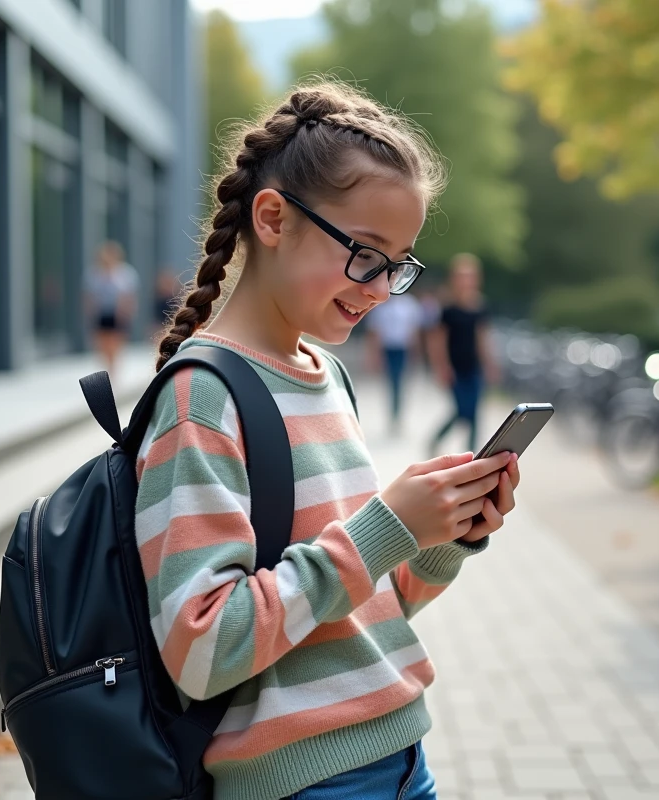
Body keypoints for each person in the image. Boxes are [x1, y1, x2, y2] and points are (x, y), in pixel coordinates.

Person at [136, 81, 521, 800]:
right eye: (366, 254)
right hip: (306, 782)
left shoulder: (327, 376)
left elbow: (359, 612)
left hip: (401, 757)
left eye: (398, 265)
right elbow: (203, 648)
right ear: (274, 219)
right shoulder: (202, 398)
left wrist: (443, 536)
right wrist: (385, 527)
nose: (380, 289)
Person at [428, 254, 497, 455]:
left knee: (474, 411)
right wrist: (442, 367)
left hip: (473, 367)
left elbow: (482, 338)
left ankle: (472, 452)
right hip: (455, 367)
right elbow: (437, 341)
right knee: (461, 410)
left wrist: (490, 364)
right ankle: (436, 439)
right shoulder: (447, 309)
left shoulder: (480, 306)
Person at [365, 292, 425, 432]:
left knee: (400, 382)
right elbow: (375, 332)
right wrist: (375, 355)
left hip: (402, 348)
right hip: (388, 348)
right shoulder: (380, 306)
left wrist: (415, 351)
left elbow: (414, 330)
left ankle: (398, 413)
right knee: (391, 382)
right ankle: (393, 413)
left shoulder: (409, 304)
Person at [82, 240, 138, 375]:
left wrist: (128, 312)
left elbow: (130, 296)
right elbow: (89, 296)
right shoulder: (94, 274)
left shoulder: (125, 273)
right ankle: (107, 366)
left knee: (115, 342)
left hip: (118, 313)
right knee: (102, 343)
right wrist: (89, 313)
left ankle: (113, 369)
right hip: (101, 313)